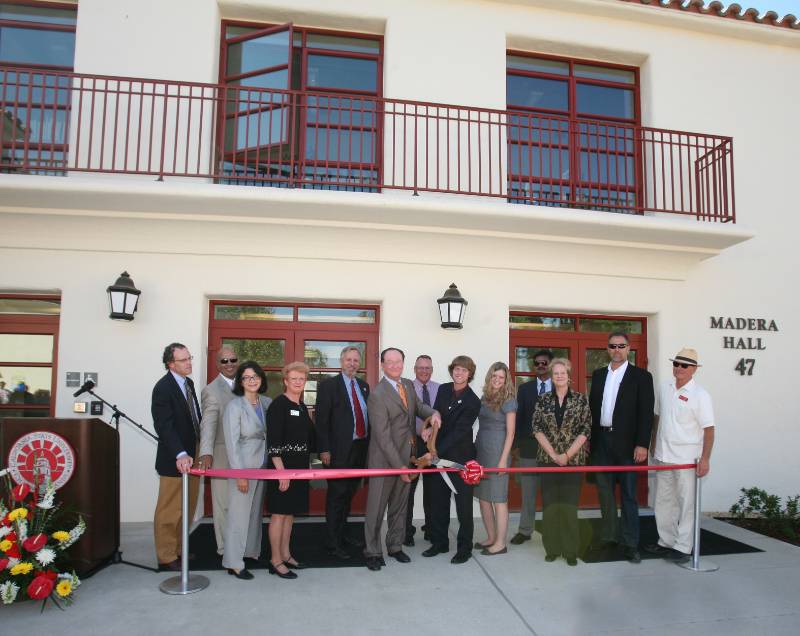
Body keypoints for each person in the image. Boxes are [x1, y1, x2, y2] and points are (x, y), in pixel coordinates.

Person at [363, 348, 439, 571]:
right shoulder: (377, 395)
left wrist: (433, 414)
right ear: (382, 365)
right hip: (384, 462)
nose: (395, 365)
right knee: (376, 510)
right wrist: (400, 467)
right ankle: (372, 552)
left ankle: (395, 546)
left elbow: (419, 407)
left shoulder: (407, 384)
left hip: (407, 457)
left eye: (398, 361)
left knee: (399, 507)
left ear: (403, 363)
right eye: (390, 362)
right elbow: (383, 437)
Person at [588, 332, 654, 564]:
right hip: (602, 442)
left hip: (628, 445)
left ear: (629, 349)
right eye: (612, 346)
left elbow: (646, 414)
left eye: (621, 346)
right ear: (607, 349)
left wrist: (642, 444)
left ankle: (629, 543)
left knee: (628, 495)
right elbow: (593, 411)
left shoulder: (642, 377)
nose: (617, 350)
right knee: (604, 493)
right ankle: (608, 536)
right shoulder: (597, 376)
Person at [645, 348, 715, 564]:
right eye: (676, 363)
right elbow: (658, 416)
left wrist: (705, 459)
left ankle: (684, 547)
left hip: (687, 459)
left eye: (684, 365)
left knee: (686, 504)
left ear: (694, 369)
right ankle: (666, 541)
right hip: (663, 456)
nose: (679, 368)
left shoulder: (701, 395)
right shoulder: (664, 387)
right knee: (663, 502)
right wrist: (653, 442)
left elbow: (709, 429)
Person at [422, 355, 481, 565]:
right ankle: (440, 543)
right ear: (451, 370)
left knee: (464, 508)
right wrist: (429, 428)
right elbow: (438, 416)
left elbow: (459, 432)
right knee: (438, 502)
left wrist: (435, 451)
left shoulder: (474, 401)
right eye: (456, 369)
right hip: (439, 457)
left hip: (460, 460)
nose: (459, 373)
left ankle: (464, 549)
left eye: (464, 370)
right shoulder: (444, 389)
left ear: (470, 374)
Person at [533, 358, 591, 566]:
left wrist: (567, 455)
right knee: (550, 507)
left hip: (573, 461)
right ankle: (552, 548)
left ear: (569, 375)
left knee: (568, 507)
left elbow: (586, 429)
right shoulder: (542, 400)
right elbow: (537, 429)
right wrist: (554, 455)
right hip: (547, 460)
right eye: (555, 373)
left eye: (562, 372)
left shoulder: (581, 399)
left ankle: (570, 550)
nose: (559, 376)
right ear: (551, 376)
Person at [316, 346, 370, 559]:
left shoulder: (364, 387)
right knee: (337, 496)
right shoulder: (329, 386)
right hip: (337, 451)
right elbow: (321, 420)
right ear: (341, 361)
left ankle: (342, 533)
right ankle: (332, 542)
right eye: (348, 359)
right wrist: (324, 449)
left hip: (359, 449)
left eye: (356, 360)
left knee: (349, 494)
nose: (352, 363)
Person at [152, 342, 201, 572]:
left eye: (189, 357)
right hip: (175, 459)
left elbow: (194, 419)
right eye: (183, 360)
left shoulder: (188, 383)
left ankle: (180, 548)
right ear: (170, 364)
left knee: (188, 506)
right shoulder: (163, 388)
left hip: (193, 455)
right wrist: (180, 453)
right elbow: (164, 425)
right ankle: (166, 555)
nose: (189, 362)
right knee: (170, 510)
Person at [221, 361, 271, 580]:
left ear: (261, 378)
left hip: (263, 465)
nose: (252, 381)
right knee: (239, 516)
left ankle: (250, 551)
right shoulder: (235, 406)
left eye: (255, 376)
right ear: (240, 382)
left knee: (255, 513)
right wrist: (239, 473)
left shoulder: (267, 402)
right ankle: (233, 562)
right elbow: (232, 443)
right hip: (243, 466)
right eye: (246, 377)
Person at [266, 361, 314, 580]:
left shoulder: (302, 406)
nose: (297, 382)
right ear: (285, 381)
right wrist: (281, 471)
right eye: (293, 378)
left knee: (289, 514)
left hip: (300, 468)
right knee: (278, 515)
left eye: (301, 379)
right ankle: (275, 560)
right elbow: (273, 442)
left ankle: (286, 554)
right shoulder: (279, 405)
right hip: (283, 469)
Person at [199, 345, 239, 556]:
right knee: (223, 504)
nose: (229, 364)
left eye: (233, 359)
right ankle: (224, 548)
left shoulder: (247, 383)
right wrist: (206, 452)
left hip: (245, 454)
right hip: (222, 452)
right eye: (224, 361)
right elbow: (208, 423)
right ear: (217, 364)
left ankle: (240, 545)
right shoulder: (211, 390)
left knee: (241, 504)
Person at [510, 349, 553, 546]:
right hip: (528, 448)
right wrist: (516, 445)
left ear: (551, 365)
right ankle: (525, 530)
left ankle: (551, 531)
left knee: (550, 493)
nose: (541, 366)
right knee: (528, 493)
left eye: (544, 363)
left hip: (554, 450)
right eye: (537, 363)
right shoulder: (525, 389)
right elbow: (518, 420)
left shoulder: (561, 387)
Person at [474, 362, 517, 555]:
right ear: (490, 377)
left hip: (499, 452)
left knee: (499, 499)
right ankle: (491, 537)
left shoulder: (509, 400)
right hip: (481, 451)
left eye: (501, 377)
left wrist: (503, 460)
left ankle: (500, 543)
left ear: (506, 380)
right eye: (495, 376)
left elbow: (511, 433)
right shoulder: (484, 397)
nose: (498, 380)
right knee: (483, 497)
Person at [405, 354, 440, 546]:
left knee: (433, 490)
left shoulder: (440, 388)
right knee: (408, 490)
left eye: (427, 368)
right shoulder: (406, 388)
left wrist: (432, 432)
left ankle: (431, 528)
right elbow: (404, 418)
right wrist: (422, 429)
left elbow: (442, 414)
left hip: (434, 446)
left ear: (432, 370)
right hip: (413, 445)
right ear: (414, 369)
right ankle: (406, 531)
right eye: (421, 368)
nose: (424, 371)